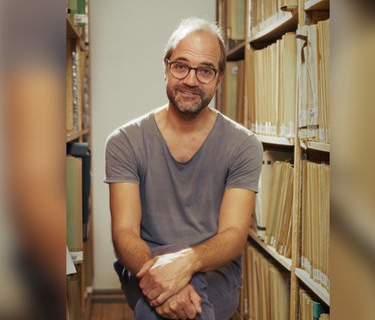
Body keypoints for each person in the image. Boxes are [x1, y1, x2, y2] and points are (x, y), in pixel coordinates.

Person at [104, 17, 263, 320]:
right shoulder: (125, 141)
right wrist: (166, 278)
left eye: (205, 71)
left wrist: (186, 263)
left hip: (214, 270)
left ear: (219, 79)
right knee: (183, 308)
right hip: (144, 264)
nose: (191, 80)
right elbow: (124, 233)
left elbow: (233, 235)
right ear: (166, 68)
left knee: (169, 310)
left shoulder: (243, 145)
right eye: (181, 66)